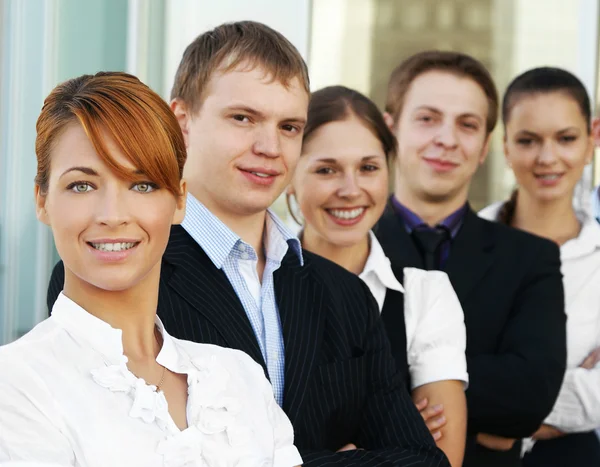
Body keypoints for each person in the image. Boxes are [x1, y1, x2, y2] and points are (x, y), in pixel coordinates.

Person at [47, 22, 447, 466]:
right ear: (182, 123)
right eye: (243, 118)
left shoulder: (344, 294)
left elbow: (423, 460)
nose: (270, 146)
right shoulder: (113, 267)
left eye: (290, 126)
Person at [0, 72, 302, 467]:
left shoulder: (239, 376)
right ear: (42, 200)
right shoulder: (17, 383)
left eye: (142, 185)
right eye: (81, 185)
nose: (112, 215)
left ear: (179, 201)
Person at [375, 51, 567, 467]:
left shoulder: (531, 259)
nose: (446, 139)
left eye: (467, 124)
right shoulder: (347, 246)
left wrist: (384, 392)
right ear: (391, 128)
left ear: (484, 148)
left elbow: (532, 394)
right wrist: (473, 406)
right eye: (427, 118)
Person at [286, 85, 468, 466]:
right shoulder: (253, 283)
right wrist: (380, 453)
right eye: (326, 169)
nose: (350, 190)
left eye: (368, 168)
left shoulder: (424, 295)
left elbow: (441, 460)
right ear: (288, 174)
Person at [480, 67, 600, 467]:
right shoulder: (462, 245)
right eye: (528, 140)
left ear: (592, 139)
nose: (548, 158)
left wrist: (502, 416)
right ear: (505, 146)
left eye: (566, 139)